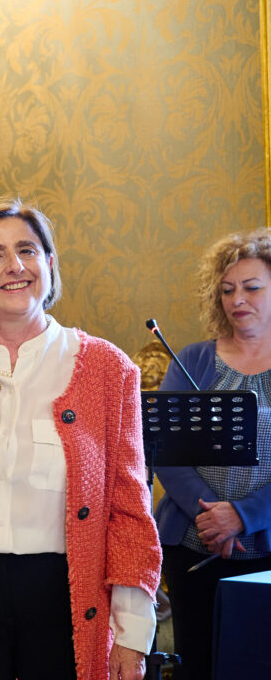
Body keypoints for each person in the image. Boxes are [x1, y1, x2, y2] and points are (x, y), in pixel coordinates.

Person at [0, 197, 162, 680]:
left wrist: (134, 635)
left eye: (28, 250)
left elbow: (129, 510)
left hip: (67, 599)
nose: (14, 266)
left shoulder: (108, 369)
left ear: (50, 264)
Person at [156, 230, 271, 680]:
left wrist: (242, 516)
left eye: (251, 287)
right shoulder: (194, 358)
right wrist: (212, 518)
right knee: (197, 664)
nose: (236, 299)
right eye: (227, 290)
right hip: (194, 544)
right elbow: (165, 450)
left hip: (265, 547)